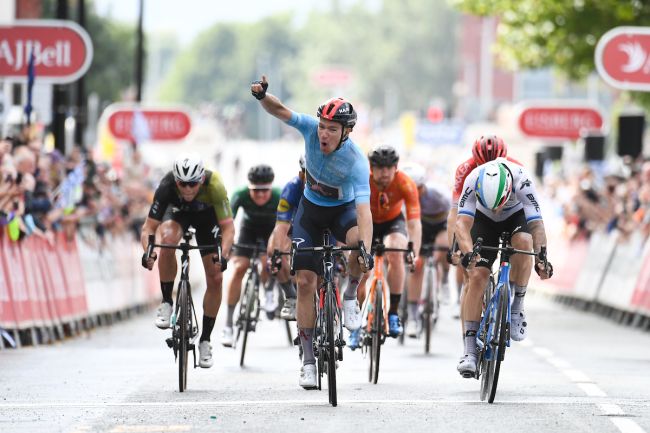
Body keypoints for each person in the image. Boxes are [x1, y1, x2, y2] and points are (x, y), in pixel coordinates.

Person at [251, 75, 373, 390]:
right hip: (311, 212)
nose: (324, 133)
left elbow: (363, 212)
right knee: (305, 282)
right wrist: (263, 96)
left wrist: (366, 251)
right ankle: (307, 360)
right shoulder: (308, 129)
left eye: (332, 129)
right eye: (322, 126)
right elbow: (280, 111)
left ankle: (349, 296)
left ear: (346, 132)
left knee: (359, 243)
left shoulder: (357, 162)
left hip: (342, 213)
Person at [454, 158, 553, 377]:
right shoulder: (472, 180)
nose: (496, 209)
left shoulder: (523, 180)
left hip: (515, 215)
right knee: (477, 275)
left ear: (509, 188)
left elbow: (537, 225)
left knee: (524, 244)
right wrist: (469, 253)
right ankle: (469, 351)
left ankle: (517, 304)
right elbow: (461, 224)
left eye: (499, 203)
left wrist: (542, 258)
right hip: (483, 218)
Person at [141, 152, 234, 369]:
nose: (188, 189)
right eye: (183, 184)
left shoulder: (215, 185)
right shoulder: (166, 186)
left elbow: (228, 228)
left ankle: (205, 341)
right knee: (167, 240)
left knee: (216, 277)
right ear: (176, 181)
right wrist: (148, 252)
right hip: (177, 215)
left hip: (207, 219)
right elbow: (148, 228)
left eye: (193, 183)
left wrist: (225, 254)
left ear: (201, 179)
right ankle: (167, 302)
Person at [347, 145, 421, 349]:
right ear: (371, 168)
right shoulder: (362, 179)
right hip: (366, 221)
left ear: (396, 167)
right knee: (362, 267)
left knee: (396, 251)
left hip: (392, 222)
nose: (385, 173)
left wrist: (413, 249)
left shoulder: (405, 182)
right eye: (380, 168)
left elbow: (414, 222)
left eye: (389, 168)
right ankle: (357, 324)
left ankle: (394, 313)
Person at [447, 135, 521, 317]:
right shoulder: (465, 170)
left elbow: (527, 209)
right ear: (475, 161)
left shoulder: (516, 168)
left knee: (521, 244)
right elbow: (455, 215)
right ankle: (469, 337)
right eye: (483, 165)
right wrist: (454, 248)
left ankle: (513, 298)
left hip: (508, 213)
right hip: (477, 214)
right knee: (470, 275)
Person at [221, 164, 281, 347]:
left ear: (271, 187)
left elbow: (287, 224)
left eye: (265, 191)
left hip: (271, 230)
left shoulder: (279, 195)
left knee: (266, 263)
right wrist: (226, 244)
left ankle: (269, 290)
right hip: (248, 230)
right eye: (256, 191)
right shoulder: (240, 194)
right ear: (249, 187)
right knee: (239, 268)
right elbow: (228, 222)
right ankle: (228, 325)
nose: (261, 195)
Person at [400, 163, 451, 338]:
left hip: (439, 226)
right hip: (417, 228)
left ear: (423, 187)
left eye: (417, 188)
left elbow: (452, 221)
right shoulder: (401, 199)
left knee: (444, 246)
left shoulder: (438, 197)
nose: (413, 193)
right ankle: (413, 316)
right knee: (417, 264)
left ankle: (444, 279)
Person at [267, 155, 307, 321]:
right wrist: (277, 253)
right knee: (274, 251)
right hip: (296, 226)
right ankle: (290, 296)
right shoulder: (292, 187)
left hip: (325, 227)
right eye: (308, 173)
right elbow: (281, 226)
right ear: (301, 174)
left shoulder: (331, 185)